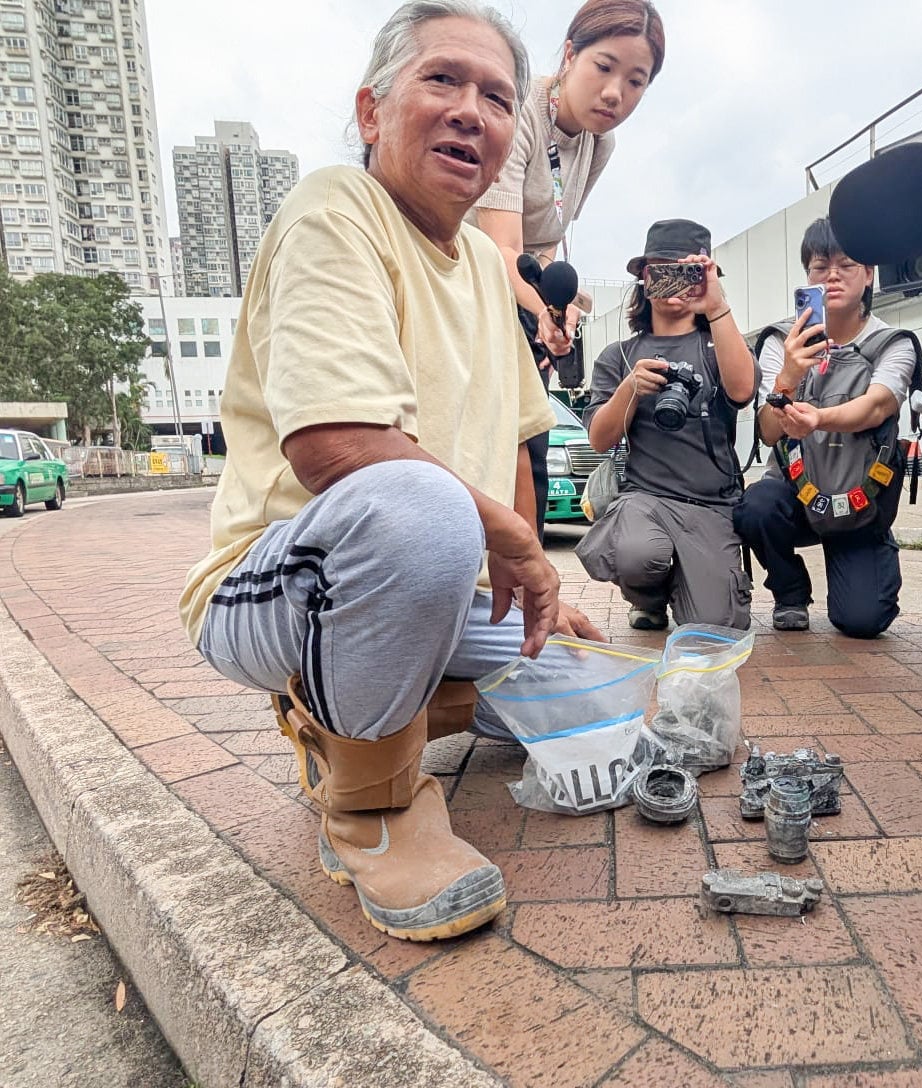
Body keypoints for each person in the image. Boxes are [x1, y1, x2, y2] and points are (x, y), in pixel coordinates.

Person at [179, 1, 601, 943]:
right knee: (417, 503)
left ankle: (344, 715)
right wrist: (514, 542)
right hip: (277, 586)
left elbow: (524, 445)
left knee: (571, 674)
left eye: (496, 97)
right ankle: (370, 806)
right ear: (372, 112)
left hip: (419, 582)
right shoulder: (336, 209)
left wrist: (533, 582)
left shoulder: (493, 274)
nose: (470, 111)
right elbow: (334, 445)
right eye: (441, 81)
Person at [471, 0, 663, 533]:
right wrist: (546, 312)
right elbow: (501, 248)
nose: (615, 93)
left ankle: (523, 584)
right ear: (570, 54)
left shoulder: (601, 143)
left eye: (636, 81)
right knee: (480, 445)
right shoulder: (519, 112)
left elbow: (546, 243)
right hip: (465, 281)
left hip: (520, 294)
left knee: (528, 439)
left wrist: (556, 315)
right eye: (604, 67)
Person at [736, 219, 921, 638]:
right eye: (820, 267)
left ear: (869, 273)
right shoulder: (780, 341)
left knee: (862, 621)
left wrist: (818, 418)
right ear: (807, 276)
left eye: (847, 264)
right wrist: (788, 374)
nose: (833, 275)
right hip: (798, 496)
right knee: (756, 506)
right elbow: (768, 432)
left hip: (860, 504)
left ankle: (867, 557)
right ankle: (789, 591)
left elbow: (876, 406)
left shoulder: (894, 343)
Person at [576, 219, 758, 631]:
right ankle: (649, 596)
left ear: (705, 275)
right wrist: (631, 388)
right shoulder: (618, 355)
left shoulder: (720, 342)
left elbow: (743, 391)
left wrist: (715, 306)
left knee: (717, 625)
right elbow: (599, 440)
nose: (675, 282)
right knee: (638, 554)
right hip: (645, 497)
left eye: (688, 271)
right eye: (662, 269)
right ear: (644, 277)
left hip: (712, 504)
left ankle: (691, 583)